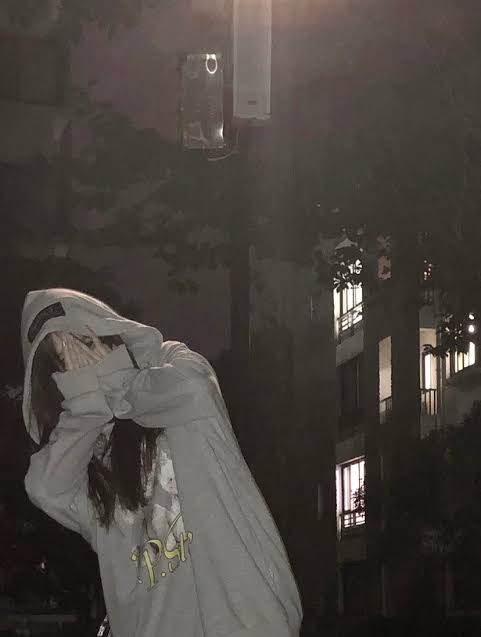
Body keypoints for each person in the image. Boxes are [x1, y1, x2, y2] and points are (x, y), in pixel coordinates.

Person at [21, 288, 302, 637]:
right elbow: (45, 488)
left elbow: (195, 389)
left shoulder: (172, 365)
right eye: (63, 362)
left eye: (84, 340)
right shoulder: (86, 466)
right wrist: (87, 406)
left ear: (108, 328)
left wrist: (117, 379)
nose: (83, 362)